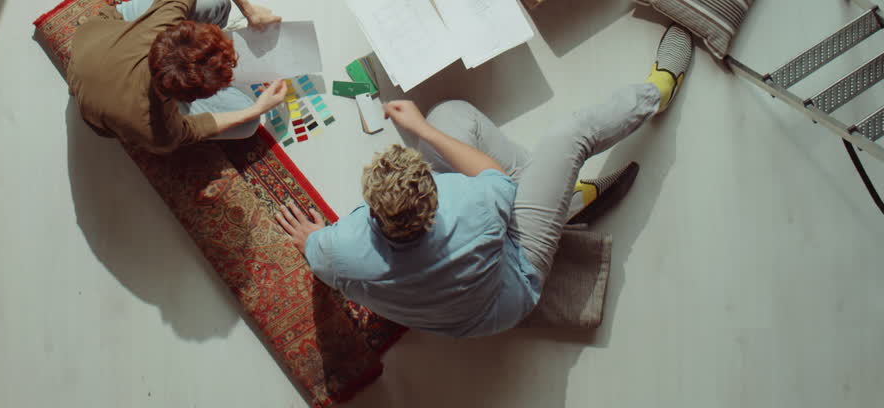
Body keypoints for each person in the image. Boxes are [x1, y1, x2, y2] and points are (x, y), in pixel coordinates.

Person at [276, 25, 694, 337]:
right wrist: (423, 131)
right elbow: (493, 177)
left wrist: (312, 237)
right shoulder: (474, 207)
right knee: (569, 136)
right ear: (432, 198)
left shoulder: (335, 248)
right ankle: (659, 91)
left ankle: (564, 200)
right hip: (513, 283)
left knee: (451, 112)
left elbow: (316, 252)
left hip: (461, 307)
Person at [67, 0, 288, 154]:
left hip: (99, 37)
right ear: (187, 99)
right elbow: (193, 129)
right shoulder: (159, 132)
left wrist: (251, 13)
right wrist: (256, 110)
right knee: (248, 125)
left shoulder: (163, 22)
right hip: (101, 103)